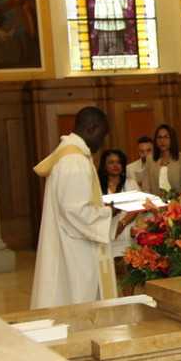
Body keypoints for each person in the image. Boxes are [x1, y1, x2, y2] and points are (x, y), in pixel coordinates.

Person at [30, 106, 118, 309]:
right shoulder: (74, 160)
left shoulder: (71, 154)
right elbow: (74, 210)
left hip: (72, 241)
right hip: (75, 249)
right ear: (91, 128)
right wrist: (108, 212)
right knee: (75, 300)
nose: (102, 143)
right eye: (102, 135)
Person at [99, 149, 139, 296]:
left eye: (118, 162)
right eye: (111, 162)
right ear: (104, 166)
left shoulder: (130, 183)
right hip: (105, 230)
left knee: (127, 270)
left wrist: (122, 223)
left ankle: (128, 299)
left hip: (126, 229)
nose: (115, 165)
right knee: (111, 270)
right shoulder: (97, 186)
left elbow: (136, 207)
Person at [141, 124, 181, 197]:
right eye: (159, 137)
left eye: (166, 137)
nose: (162, 140)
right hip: (155, 202)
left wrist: (179, 202)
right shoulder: (150, 160)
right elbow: (146, 187)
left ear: (172, 139)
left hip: (179, 202)